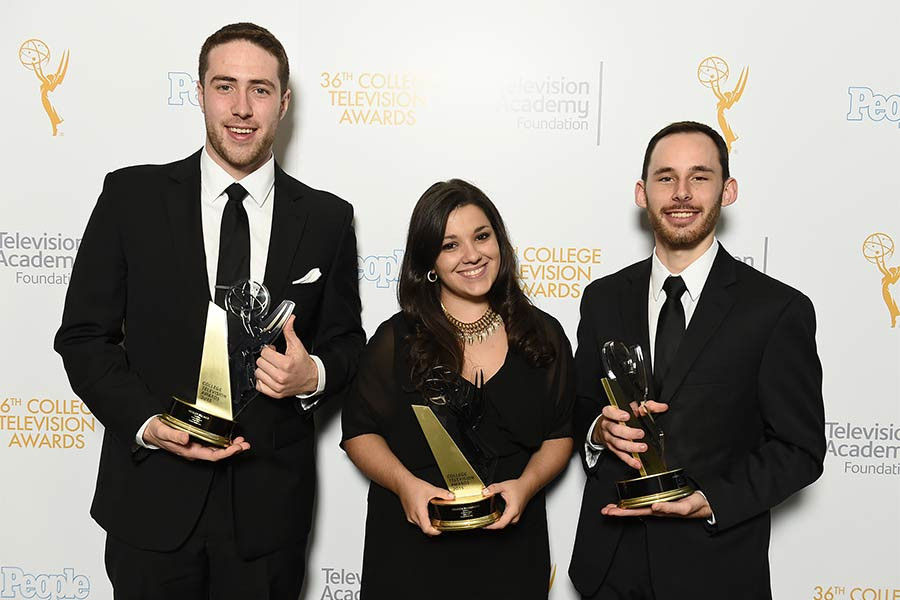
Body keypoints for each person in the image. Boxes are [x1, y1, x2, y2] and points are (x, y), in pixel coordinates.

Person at [54, 23, 364, 600]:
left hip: (267, 515)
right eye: (225, 86)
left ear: (284, 102)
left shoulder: (327, 219)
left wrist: (312, 375)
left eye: (260, 89)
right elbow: (83, 338)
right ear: (199, 93)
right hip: (151, 502)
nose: (242, 108)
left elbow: (347, 342)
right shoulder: (130, 198)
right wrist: (148, 425)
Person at [568, 121, 826, 600]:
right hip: (609, 568)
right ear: (642, 193)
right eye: (666, 177)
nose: (681, 193)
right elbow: (581, 405)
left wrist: (709, 500)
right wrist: (598, 432)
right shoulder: (602, 298)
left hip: (717, 571)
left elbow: (800, 449)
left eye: (699, 177)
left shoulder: (776, 310)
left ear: (727, 191)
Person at [342, 179, 574, 599]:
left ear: (499, 241)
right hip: (411, 555)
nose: (472, 255)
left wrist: (526, 485)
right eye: (450, 245)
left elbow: (560, 434)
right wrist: (404, 485)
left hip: (511, 555)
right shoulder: (397, 339)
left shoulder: (543, 335)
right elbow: (359, 432)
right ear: (429, 260)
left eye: (481, 236)